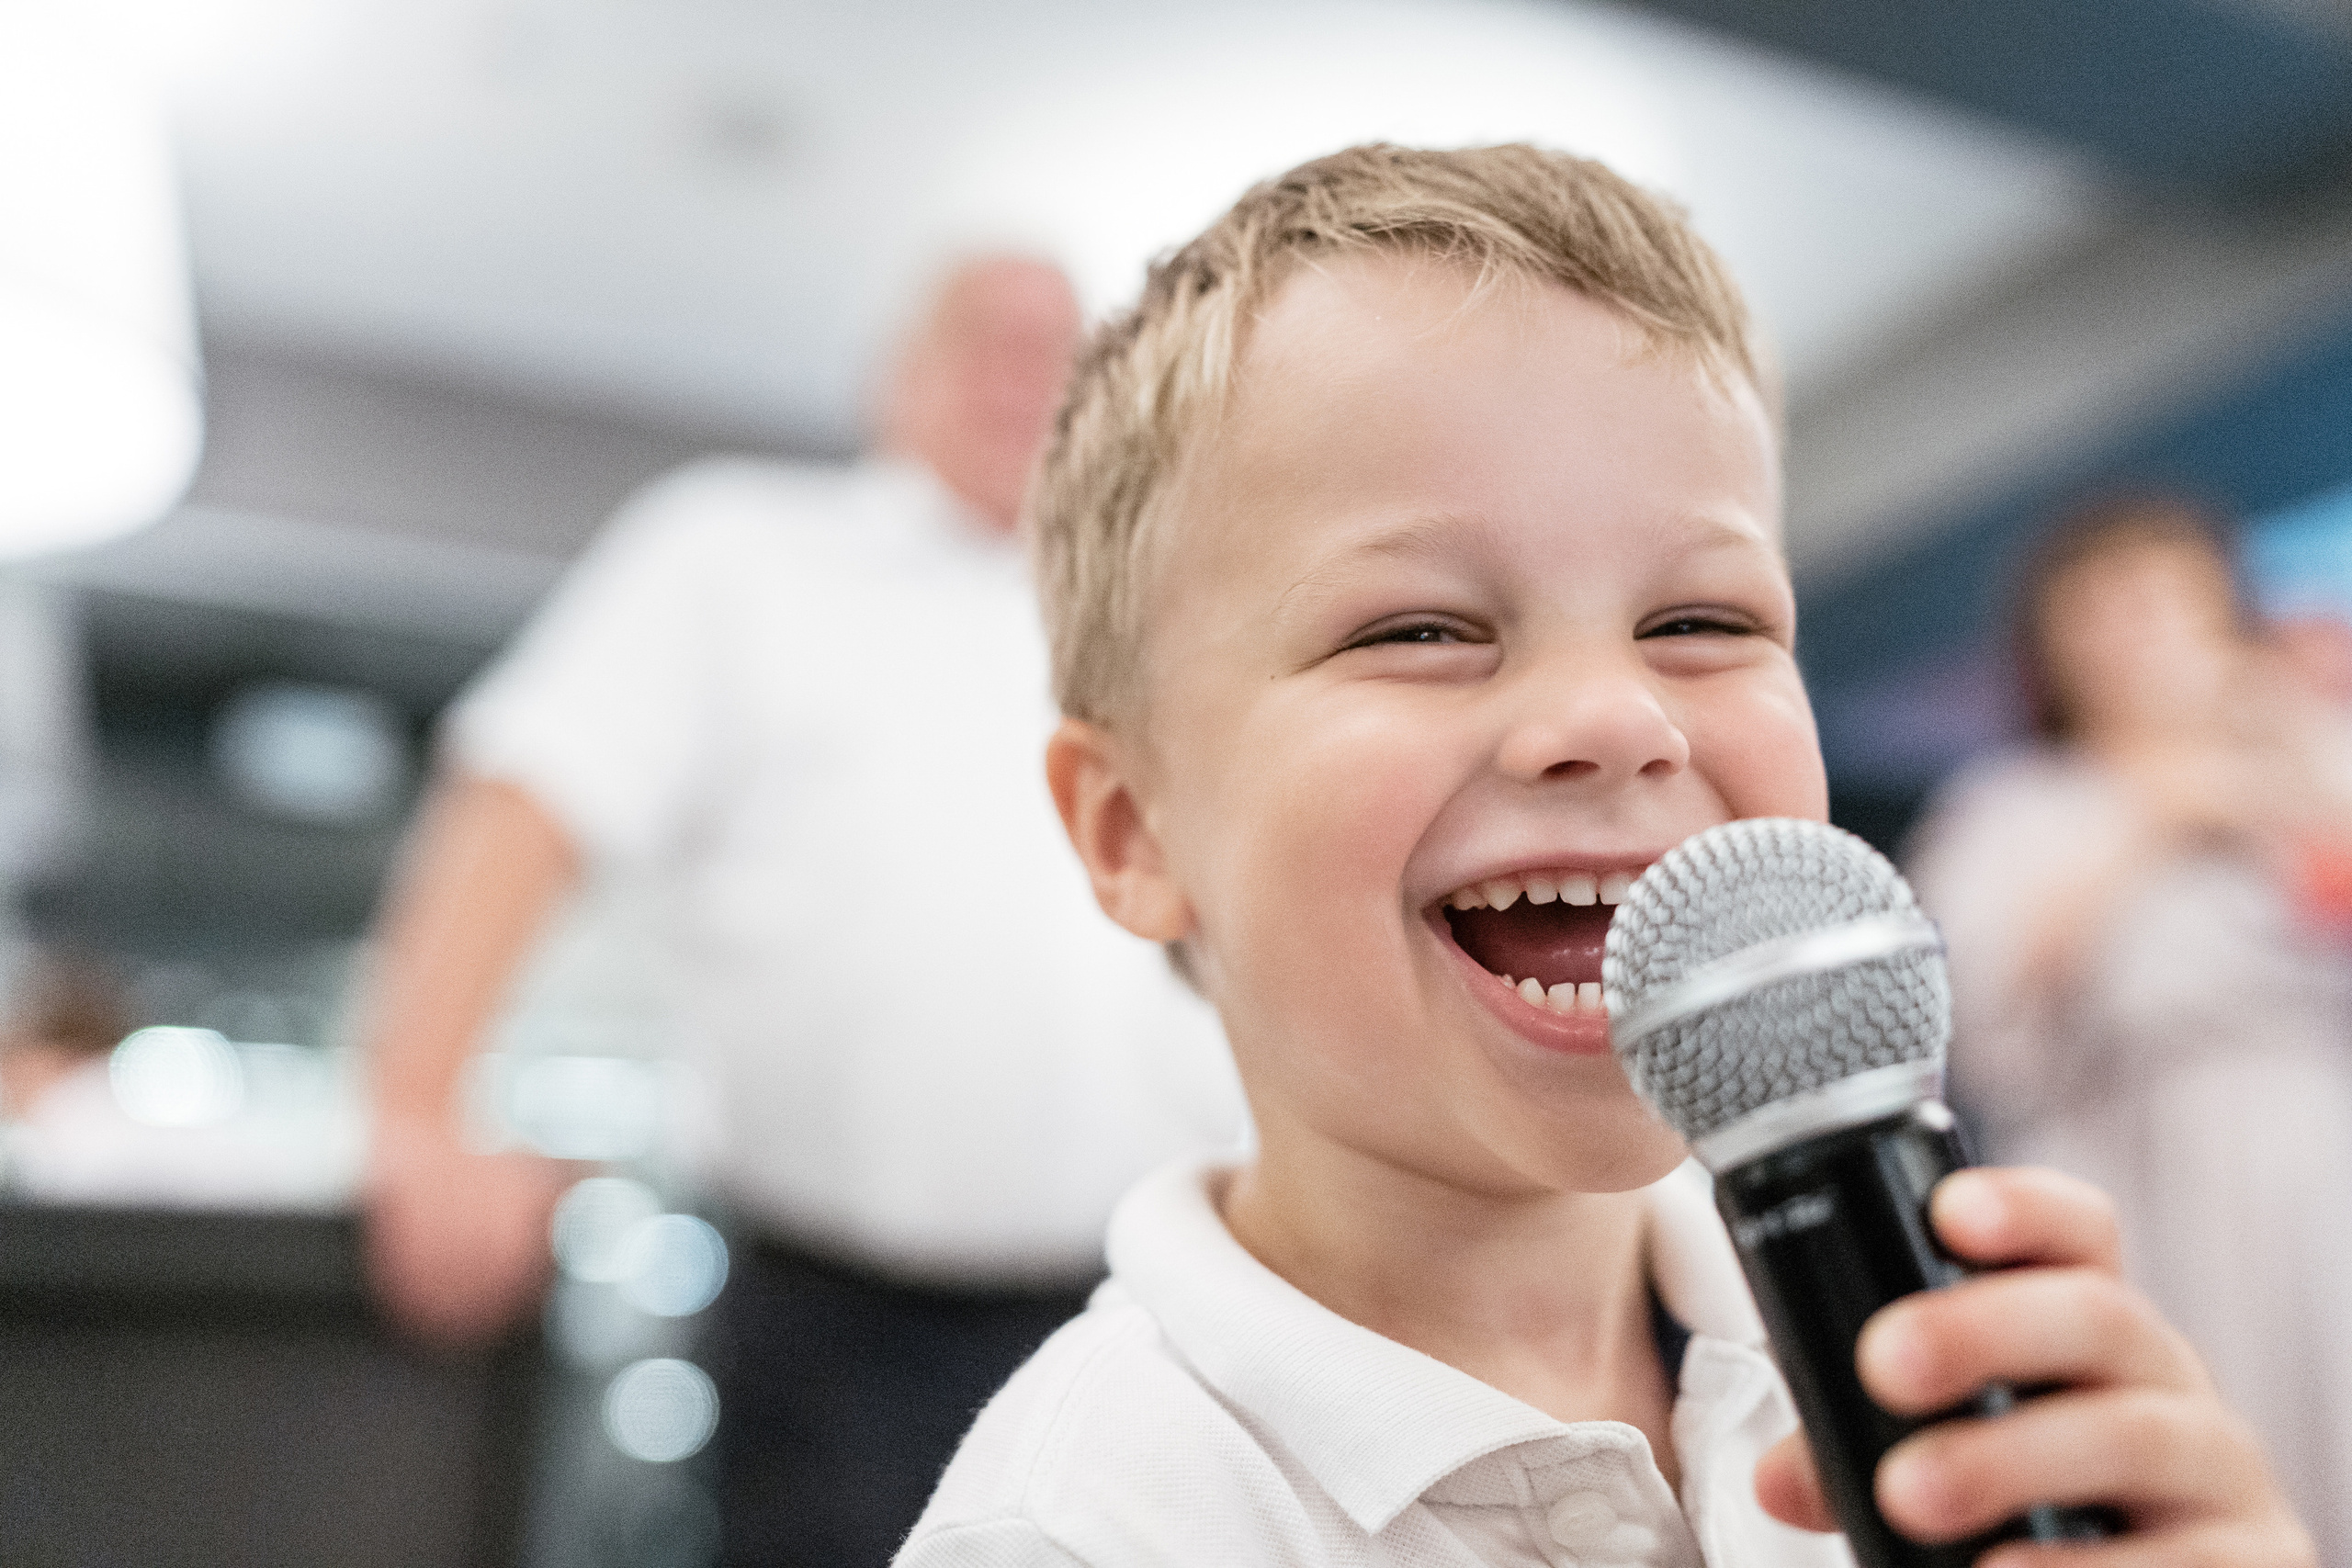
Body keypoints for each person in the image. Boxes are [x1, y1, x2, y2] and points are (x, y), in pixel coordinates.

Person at [894, 146, 2313, 1567]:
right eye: (1419, 628)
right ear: (1132, 829)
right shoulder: (1077, 1530)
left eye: (1703, 618)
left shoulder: (1917, 1354)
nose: (1618, 717)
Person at [360, 255, 1245, 1568]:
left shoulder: (1175, 609)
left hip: (1160, 1317)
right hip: (838, 1336)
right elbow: (526, 800)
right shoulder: (741, 553)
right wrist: (415, 1113)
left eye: (1061, 346)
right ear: (899, 373)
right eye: (986, 338)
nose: (1027, 375)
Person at [1906, 495, 2352, 1561]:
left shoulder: (2312, 759)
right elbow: (1981, 1010)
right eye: (2098, 609)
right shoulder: (2011, 806)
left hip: (2311, 1156)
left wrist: (2279, 760)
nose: (2136, 631)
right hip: (2127, 1163)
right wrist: (2148, 818)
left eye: (2161, 598)